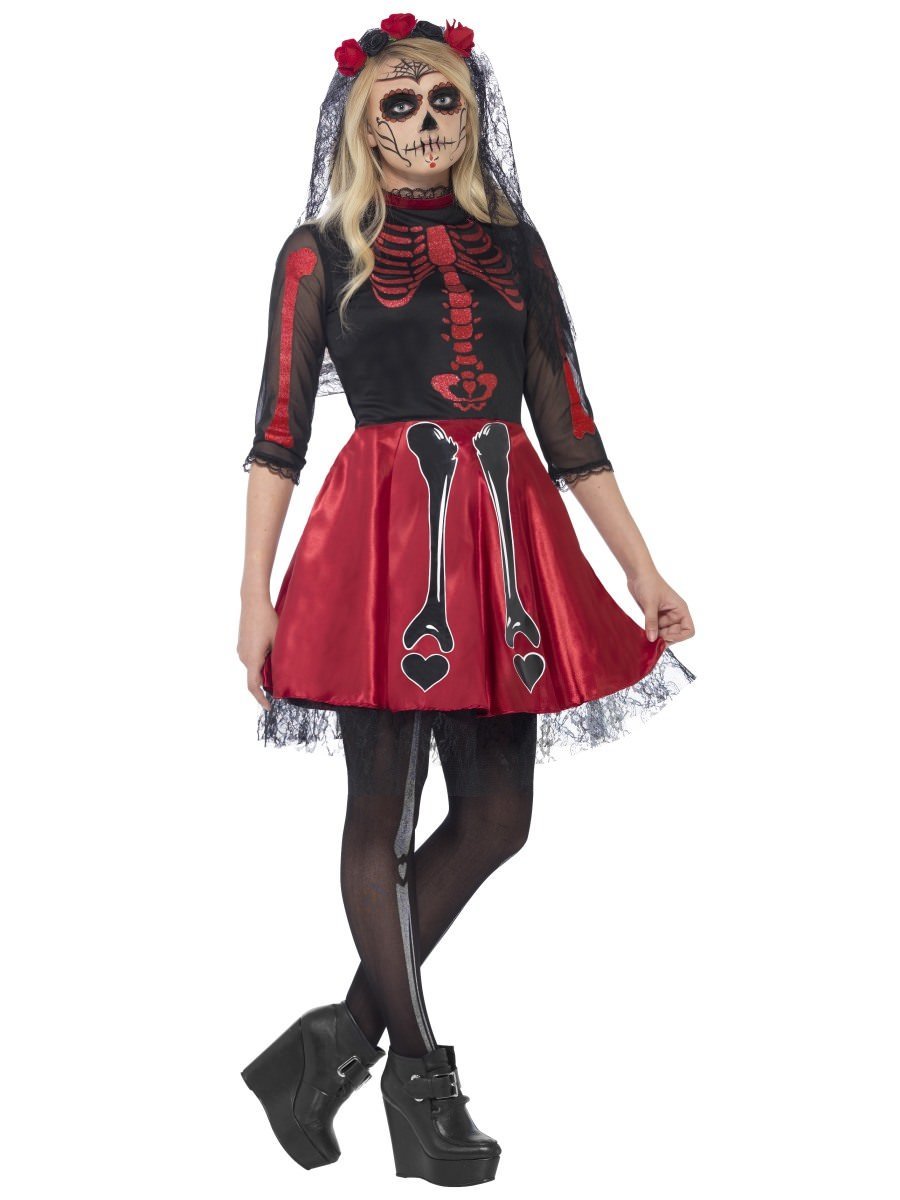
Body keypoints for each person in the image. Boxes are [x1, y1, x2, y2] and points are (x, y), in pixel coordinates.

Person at [236, 13, 696, 1188]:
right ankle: (419, 1079)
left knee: (498, 816)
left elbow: (571, 423)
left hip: (502, 534)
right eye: (399, 103)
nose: (427, 120)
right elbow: (278, 434)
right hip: (376, 543)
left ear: (472, 112)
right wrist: (253, 593)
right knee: (382, 815)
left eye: (444, 98)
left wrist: (641, 569)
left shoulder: (515, 246)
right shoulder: (319, 251)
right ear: (361, 123)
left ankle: (331, 1045)